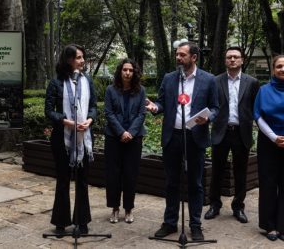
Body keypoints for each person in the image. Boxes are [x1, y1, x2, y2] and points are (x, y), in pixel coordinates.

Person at [146, 42, 219, 241]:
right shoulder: (169, 78)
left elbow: (215, 107)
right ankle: (170, 223)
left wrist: (209, 117)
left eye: (182, 55)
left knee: (195, 184)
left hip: (195, 137)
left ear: (194, 57)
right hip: (172, 137)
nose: (178, 58)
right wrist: (155, 107)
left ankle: (195, 225)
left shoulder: (209, 79)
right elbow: (161, 102)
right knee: (171, 182)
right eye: (177, 54)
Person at [44, 44, 97, 235]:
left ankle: (82, 221)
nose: (82, 61)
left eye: (83, 57)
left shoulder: (87, 81)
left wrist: (89, 120)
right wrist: (66, 122)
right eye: (79, 57)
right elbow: (49, 111)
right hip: (62, 139)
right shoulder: (56, 82)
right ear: (68, 60)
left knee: (82, 181)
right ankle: (60, 222)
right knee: (63, 180)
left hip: (84, 136)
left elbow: (93, 107)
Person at [204, 47, 259, 223]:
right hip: (221, 131)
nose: (232, 60)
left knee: (240, 172)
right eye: (229, 57)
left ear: (242, 60)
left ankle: (238, 207)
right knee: (217, 171)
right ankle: (214, 205)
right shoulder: (215, 81)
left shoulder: (252, 82)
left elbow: (255, 107)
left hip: (241, 132)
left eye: (236, 57)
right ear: (225, 60)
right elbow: (210, 105)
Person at [104, 58, 146, 224]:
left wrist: (131, 132)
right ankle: (114, 208)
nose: (128, 73)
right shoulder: (110, 90)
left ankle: (128, 209)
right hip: (114, 138)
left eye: (130, 70)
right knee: (113, 174)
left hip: (134, 139)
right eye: (125, 70)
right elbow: (109, 113)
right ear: (120, 72)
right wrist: (121, 132)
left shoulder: (141, 90)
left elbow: (142, 114)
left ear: (134, 73)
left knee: (131, 174)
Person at [253, 55, 284, 241]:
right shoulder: (264, 90)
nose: (282, 69)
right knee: (268, 184)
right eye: (279, 66)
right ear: (273, 69)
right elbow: (257, 115)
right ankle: (270, 225)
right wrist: (274, 137)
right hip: (268, 142)